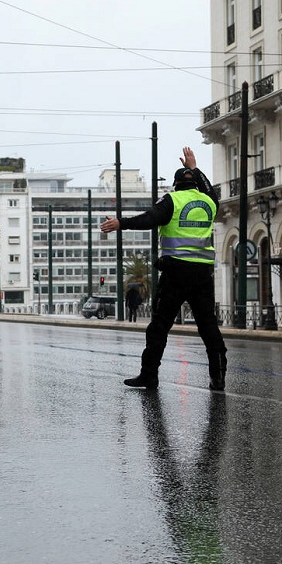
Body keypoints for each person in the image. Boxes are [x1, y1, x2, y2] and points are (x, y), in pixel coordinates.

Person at [100, 147, 227, 391]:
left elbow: (149, 219)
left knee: (159, 325)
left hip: (176, 273)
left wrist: (121, 223)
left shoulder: (173, 200)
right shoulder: (210, 202)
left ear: (176, 185)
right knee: (208, 326)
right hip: (203, 273)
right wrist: (195, 168)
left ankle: (149, 375)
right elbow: (210, 188)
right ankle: (218, 377)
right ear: (195, 185)